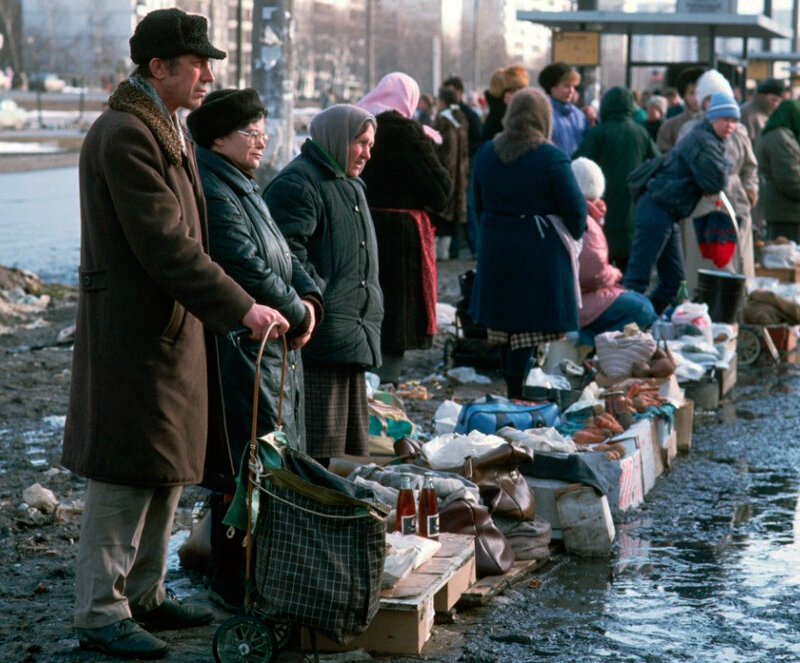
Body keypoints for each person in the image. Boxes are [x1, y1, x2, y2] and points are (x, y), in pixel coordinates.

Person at [61, 9, 289, 660]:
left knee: (162, 468)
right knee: (125, 472)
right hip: (135, 337)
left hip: (164, 333)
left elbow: (187, 244)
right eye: (197, 63)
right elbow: (166, 246)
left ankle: (145, 592)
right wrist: (242, 307)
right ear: (158, 67)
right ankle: (100, 610)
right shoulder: (127, 134)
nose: (208, 75)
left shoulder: (162, 129)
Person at [185, 88, 323, 611]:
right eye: (252, 131)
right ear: (218, 138)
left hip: (271, 347)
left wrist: (309, 298)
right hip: (243, 352)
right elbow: (245, 266)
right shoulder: (215, 191)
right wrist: (297, 310)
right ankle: (232, 582)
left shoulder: (243, 183)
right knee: (243, 466)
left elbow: (284, 255)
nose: (262, 140)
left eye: (263, 129)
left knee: (268, 460)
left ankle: (258, 575)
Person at [264, 104, 383, 466]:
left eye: (370, 144)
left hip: (349, 336)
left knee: (341, 455)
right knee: (317, 454)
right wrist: (317, 299)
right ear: (336, 138)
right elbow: (285, 255)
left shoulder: (351, 185)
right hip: (321, 339)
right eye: (360, 142)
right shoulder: (299, 183)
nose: (366, 153)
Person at [469, 87, 586, 398]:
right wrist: (572, 234)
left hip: (496, 246)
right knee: (526, 329)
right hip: (537, 251)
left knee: (507, 329)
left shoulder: (486, 152)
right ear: (542, 118)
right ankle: (517, 395)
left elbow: (476, 203)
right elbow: (576, 210)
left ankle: (512, 391)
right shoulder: (551, 157)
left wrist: (492, 230)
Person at [356, 72, 452, 383]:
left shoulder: (358, 123)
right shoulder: (407, 133)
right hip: (401, 233)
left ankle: (366, 378)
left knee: (367, 300)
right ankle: (386, 381)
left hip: (361, 222)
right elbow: (439, 190)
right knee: (397, 309)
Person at [623, 92, 736, 312]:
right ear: (712, 119)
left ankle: (647, 322)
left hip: (668, 211)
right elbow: (717, 182)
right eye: (725, 119)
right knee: (637, 280)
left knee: (674, 285)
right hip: (658, 208)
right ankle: (625, 333)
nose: (730, 125)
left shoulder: (711, 139)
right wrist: (726, 168)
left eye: (734, 120)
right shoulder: (702, 141)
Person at [676, 70, 758, 286]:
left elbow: (750, 167)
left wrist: (750, 192)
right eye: (708, 98)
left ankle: (737, 304)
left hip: (736, 201)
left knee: (736, 259)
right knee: (702, 260)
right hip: (701, 202)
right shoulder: (690, 130)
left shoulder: (738, 131)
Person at [571, 157, 656, 345]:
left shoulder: (581, 214)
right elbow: (593, 274)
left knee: (638, 302)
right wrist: (614, 273)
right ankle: (586, 341)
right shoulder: (583, 220)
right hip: (579, 299)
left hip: (578, 294)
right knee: (643, 311)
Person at [575, 86, 658, 272]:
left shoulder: (598, 133)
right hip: (632, 208)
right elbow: (656, 162)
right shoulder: (641, 133)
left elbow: (578, 162)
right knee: (628, 272)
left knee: (603, 267)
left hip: (602, 208)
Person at [431, 86, 469, 261]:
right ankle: (445, 251)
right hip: (460, 172)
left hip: (446, 171)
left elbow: (442, 149)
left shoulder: (443, 120)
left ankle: (439, 252)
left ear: (443, 102)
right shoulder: (459, 119)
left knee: (441, 213)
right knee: (450, 215)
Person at [754, 100, 800, 242]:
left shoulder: (770, 132)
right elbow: (789, 179)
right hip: (786, 213)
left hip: (778, 210)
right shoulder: (781, 138)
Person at [538, 61, 587, 157]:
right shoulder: (543, 114)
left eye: (573, 86)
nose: (571, 91)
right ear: (552, 88)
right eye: (566, 86)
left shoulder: (579, 115)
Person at [656, 66, 704, 152]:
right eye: (692, 93)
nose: (696, 98)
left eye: (700, 93)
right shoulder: (669, 127)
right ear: (683, 95)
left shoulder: (716, 123)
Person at [481, 64, 530, 142]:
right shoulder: (503, 119)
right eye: (514, 90)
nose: (520, 93)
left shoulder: (498, 115)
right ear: (504, 94)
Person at [443, 75, 482, 158]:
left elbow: (476, 141)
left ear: (460, 92)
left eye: (451, 92)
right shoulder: (444, 113)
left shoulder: (470, 116)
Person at [741, 78, 786, 144]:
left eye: (779, 101)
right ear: (762, 96)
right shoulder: (747, 113)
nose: (776, 104)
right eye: (773, 100)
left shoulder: (773, 113)